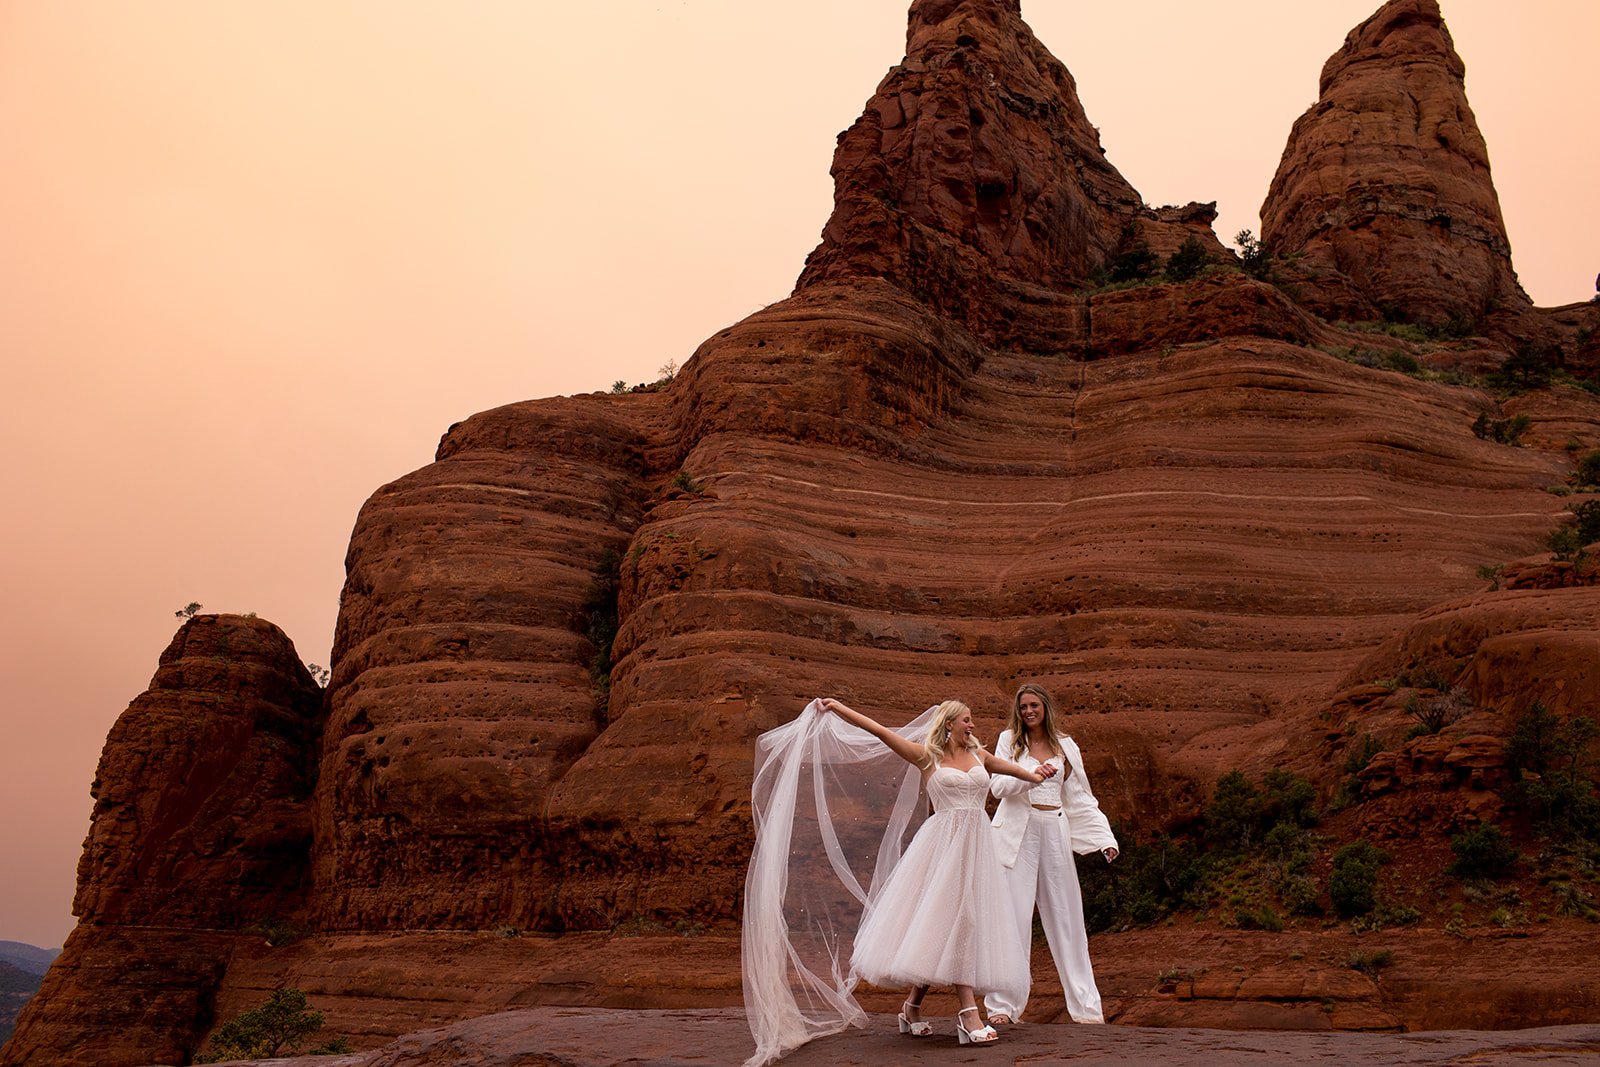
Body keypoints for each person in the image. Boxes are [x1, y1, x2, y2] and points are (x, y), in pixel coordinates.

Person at [819, 697, 1053, 1045]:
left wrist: (1036, 775)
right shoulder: (926, 756)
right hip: (942, 847)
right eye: (967, 720)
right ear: (949, 724)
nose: (972, 726)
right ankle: (968, 1014)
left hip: (977, 846)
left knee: (958, 923)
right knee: (957, 921)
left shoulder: (979, 756)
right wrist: (838, 708)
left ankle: (912, 1007)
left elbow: (1013, 771)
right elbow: (881, 731)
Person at [983, 683, 1119, 1026]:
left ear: (1045, 707)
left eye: (1034, 705)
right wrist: (1031, 777)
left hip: (1055, 829)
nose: (1028, 711)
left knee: (1068, 919)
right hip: (1019, 834)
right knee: (1012, 918)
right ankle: (1002, 1006)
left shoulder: (1066, 746)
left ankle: (1087, 1010)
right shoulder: (1009, 742)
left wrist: (1104, 838)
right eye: (1023, 706)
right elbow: (997, 787)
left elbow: (1081, 797)